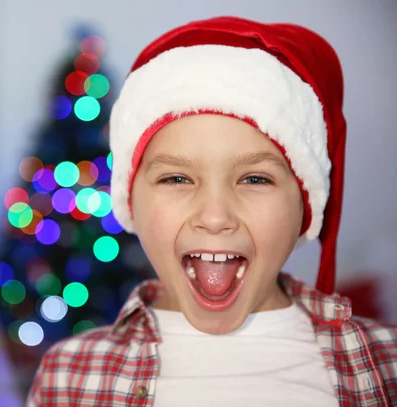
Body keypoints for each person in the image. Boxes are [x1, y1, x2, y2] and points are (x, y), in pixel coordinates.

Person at [25, 16, 397, 406]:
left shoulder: (387, 363)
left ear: (305, 204)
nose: (216, 217)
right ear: (130, 200)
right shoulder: (68, 376)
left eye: (255, 180)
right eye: (176, 179)